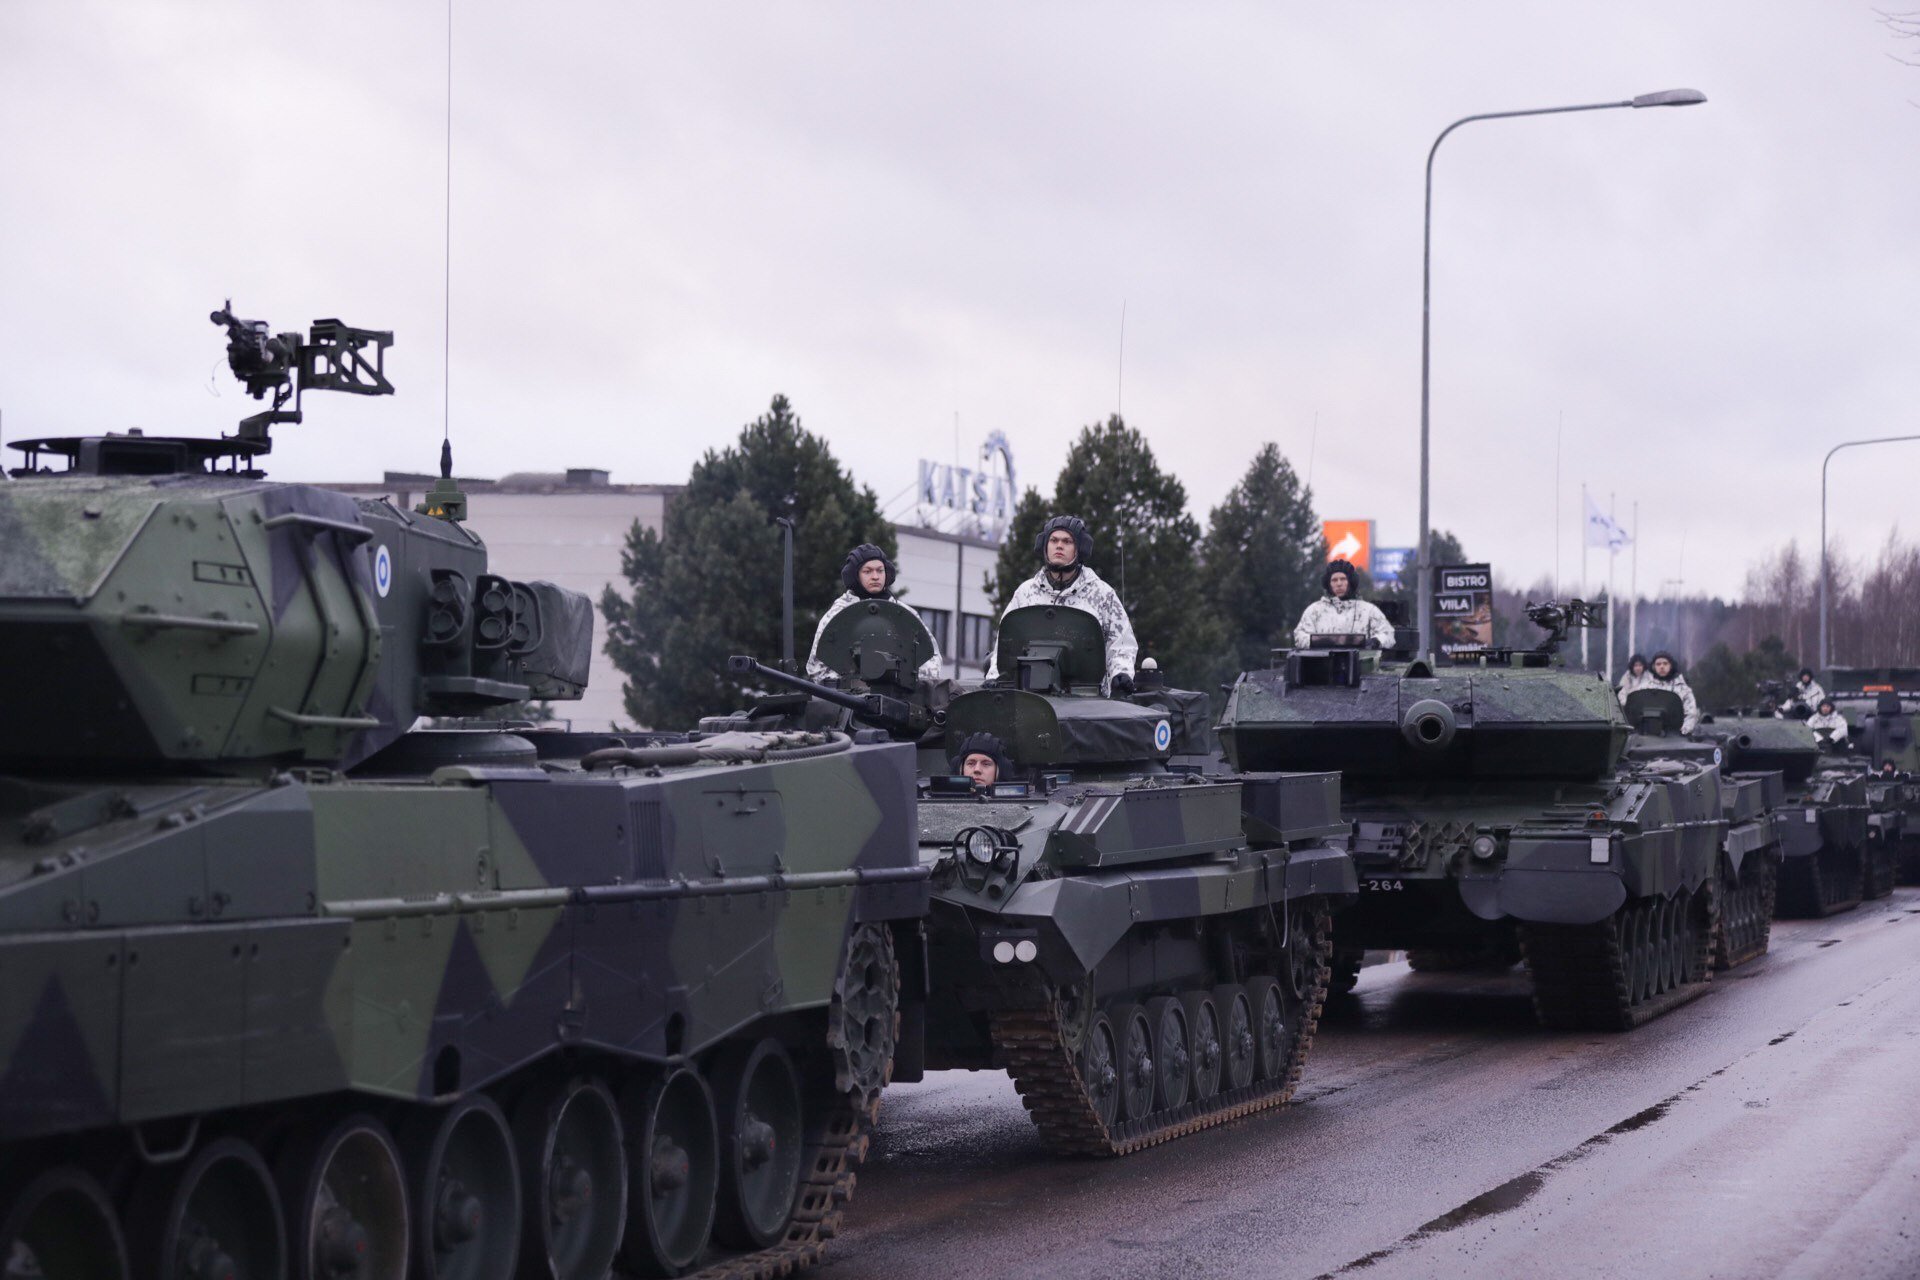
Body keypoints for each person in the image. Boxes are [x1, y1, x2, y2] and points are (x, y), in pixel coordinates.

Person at [986, 515, 1139, 696]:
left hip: (1088, 702)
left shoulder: (1102, 595)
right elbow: (1006, 642)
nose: (1059, 546)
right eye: (1054, 540)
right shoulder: (1026, 593)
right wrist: (995, 677)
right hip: (1029, 699)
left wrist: (1120, 673)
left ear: (1079, 548)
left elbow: (1121, 644)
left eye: (1067, 541)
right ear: (1044, 545)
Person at [806, 543, 943, 682]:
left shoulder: (904, 614)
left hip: (901, 696)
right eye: (867, 571)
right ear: (855, 575)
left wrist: (908, 683)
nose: (875, 576)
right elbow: (818, 667)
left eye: (880, 570)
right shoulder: (837, 614)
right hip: (849, 698)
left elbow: (930, 657)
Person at [1291, 558, 1396, 649]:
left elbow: (1388, 634)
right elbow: (1299, 636)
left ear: (1350, 582)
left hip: (1359, 667)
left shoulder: (1368, 611)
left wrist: (1376, 641)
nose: (1339, 584)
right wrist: (1320, 642)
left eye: (1343, 579)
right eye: (1334, 580)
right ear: (1329, 584)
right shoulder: (1314, 611)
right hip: (1321, 667)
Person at [1644, 651, 1700, 734]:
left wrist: (1684, 732)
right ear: (1653, 667)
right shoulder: (1645, 687)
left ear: (1671, 666)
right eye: (1658, 664)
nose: (1662, 667)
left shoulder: (1683, 688)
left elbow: (1691, 714)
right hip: (1649, 736)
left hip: (1676, 736)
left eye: (1665, 663)